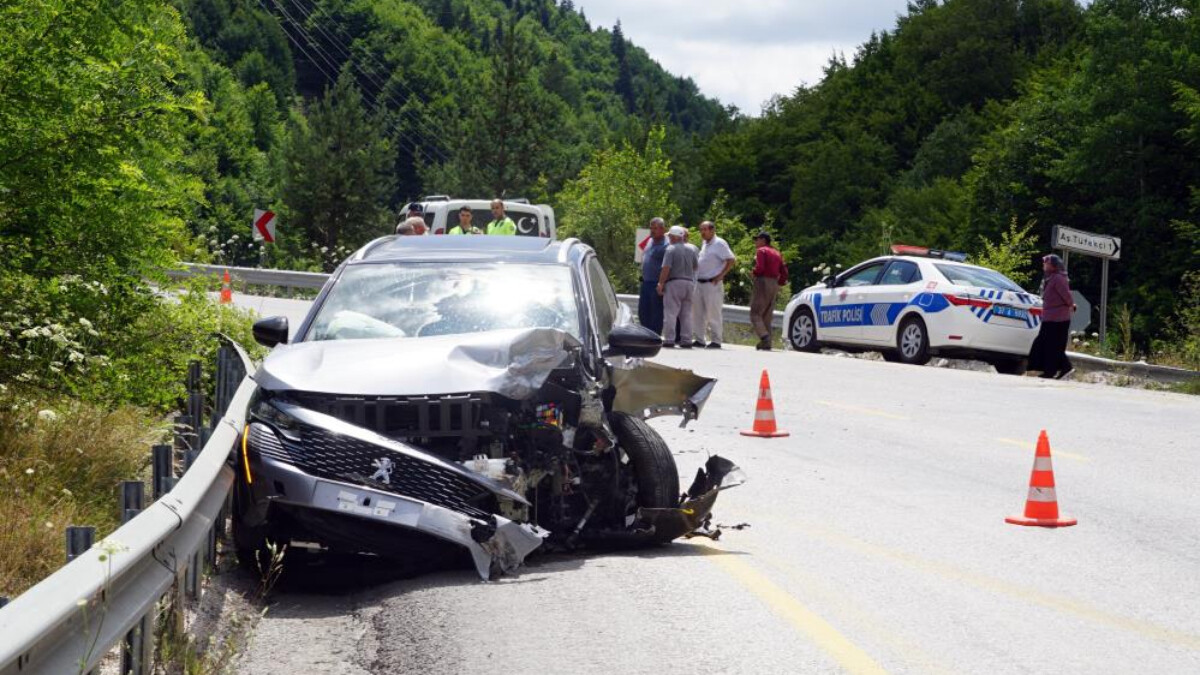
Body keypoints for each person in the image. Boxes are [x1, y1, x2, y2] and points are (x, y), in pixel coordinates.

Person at [1028, 253, 1076, 379]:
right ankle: (1059, 368)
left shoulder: (1058, 278)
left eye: (1046, 263)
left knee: (1051, 345)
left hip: (1059, 319)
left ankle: (1054, 370)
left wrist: (1072, 305)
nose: (1044, 265)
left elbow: (1066, 295)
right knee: (1047, 344)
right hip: (1050, 317)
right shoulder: (1050, 278)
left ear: (1053, 266)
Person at [691, 220, 736, 348]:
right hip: (700, 281)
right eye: (701, 230)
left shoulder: (719, 243)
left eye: (704, 230)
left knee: (713, 312)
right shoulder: (705, 243)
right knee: (698, 312)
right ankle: (700, 339)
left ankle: (716, 340)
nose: (702, 233)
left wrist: (721, 275)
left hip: (712, 282)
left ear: (712, 230)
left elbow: (731, 259)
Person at [657, 225, 699, 348]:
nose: (669, 238)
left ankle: (669, 339)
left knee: (670, 313)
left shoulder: (671, 249)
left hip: (674, 282)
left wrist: (661, 283)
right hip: (689, 283)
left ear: (675, 236)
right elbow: (695, 266)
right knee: (686, 314)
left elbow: (666, 268)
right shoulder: (691, 250)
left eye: (670, 236)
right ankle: (686, 340)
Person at [749, 231, 788, 351]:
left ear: (763, 240)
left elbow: (760, 268)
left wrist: (753, 272)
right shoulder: (777, 253)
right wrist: (780, 283)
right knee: (767, 314)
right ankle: (768, 342)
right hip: (774, 283)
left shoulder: (761, 251)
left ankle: (764, 337)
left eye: (757, 239)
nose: (756, 242)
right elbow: (785, 271)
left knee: (755, 313)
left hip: (763, 281)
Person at [638, 217, 667, 334]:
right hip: (645, 282)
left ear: (663, 229)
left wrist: (662, 283)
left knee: (656, 312)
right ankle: (645, 334)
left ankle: (654, 335)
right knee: (643, 311)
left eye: (655, 228)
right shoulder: (650, 240)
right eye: (651, 228)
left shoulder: (666, 245)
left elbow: (667, 267)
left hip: (656, 283)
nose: (652, 231)